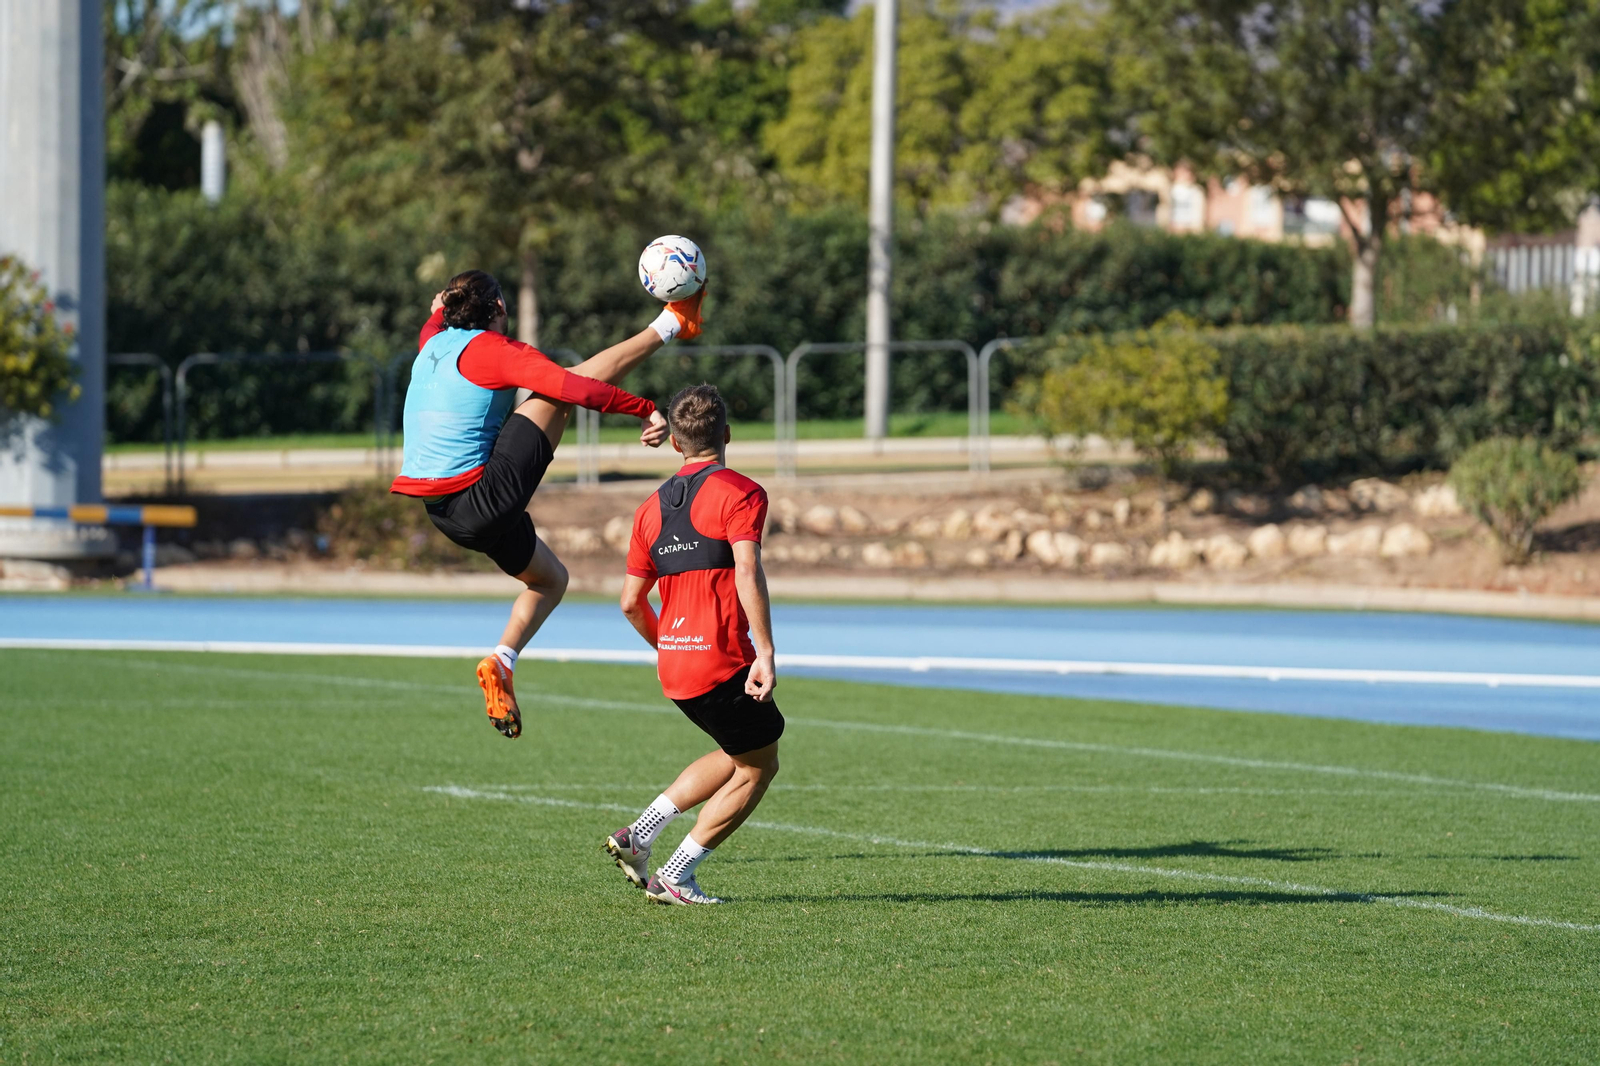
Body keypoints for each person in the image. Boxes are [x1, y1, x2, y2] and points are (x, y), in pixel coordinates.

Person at [391, 269, 704, 739]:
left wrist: (438, 310)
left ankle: (502, 661)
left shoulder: (432, 342)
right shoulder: (493, 350)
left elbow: (431, 323)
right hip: (482, 499)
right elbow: (574, 389)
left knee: (551, 580)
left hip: (442, 515)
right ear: (499, 308)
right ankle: (670, 323)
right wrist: (642, 408)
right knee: (556, 392)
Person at [607, 384, 781, 905]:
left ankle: (638, 835)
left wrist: (671, 646)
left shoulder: (648, 509)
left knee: (737, 752)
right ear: (726, 435)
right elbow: (747, 570)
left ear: (677, 444)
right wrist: (767, 653)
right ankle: (676, 874)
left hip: (676, 665)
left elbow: (630, 602)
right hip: (722, 661)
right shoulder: (741, 492)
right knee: (760, 765)